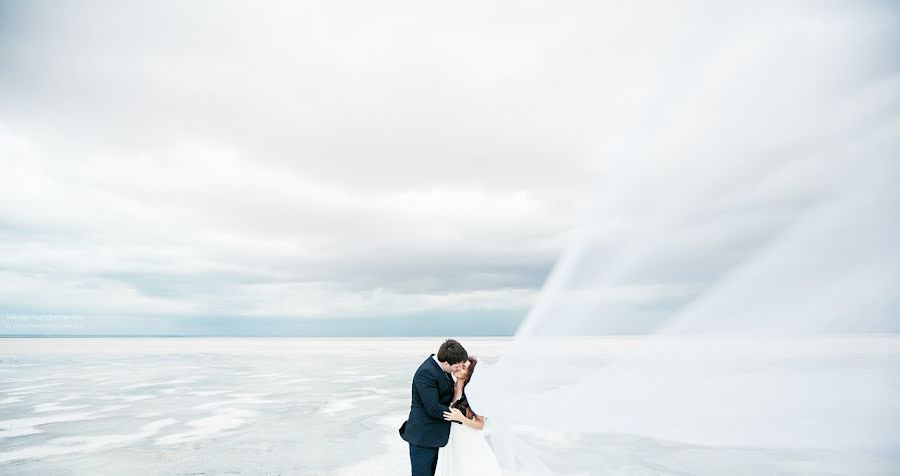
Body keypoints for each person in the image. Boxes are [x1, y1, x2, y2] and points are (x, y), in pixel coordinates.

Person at [399, 339, 468, 476]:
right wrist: (463, 415)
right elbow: (433, 408)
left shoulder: (443, 368)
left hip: (435, 435)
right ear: (446, 362)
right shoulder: (426, 373)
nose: (458, 370)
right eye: (457, 366)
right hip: (423, 437)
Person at [434, 356, 503, 476]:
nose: (459, 368)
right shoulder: (450, 386)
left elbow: (480, 424)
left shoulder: (474, 393)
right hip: (449, 439)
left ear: (469, 374)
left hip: (467, 439)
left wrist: (461, 418)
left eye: (464, 367)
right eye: (460, 364)